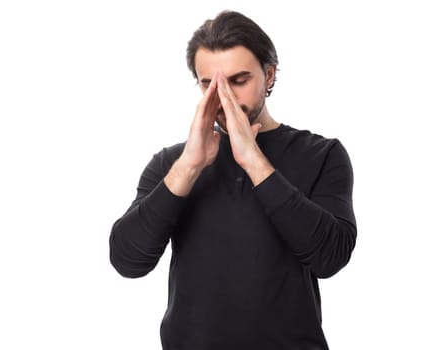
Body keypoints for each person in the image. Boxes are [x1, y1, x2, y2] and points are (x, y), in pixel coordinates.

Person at [109, 10, 356, 349]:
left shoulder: (322, 154)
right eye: (209, 84)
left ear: (269, 75)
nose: (224, 97)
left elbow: (330, 257)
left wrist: (253, 160)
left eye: (238, 81)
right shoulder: (173, 163)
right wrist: (189, 166)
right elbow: (127, 261)